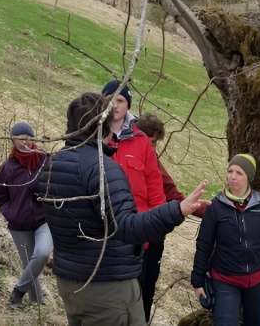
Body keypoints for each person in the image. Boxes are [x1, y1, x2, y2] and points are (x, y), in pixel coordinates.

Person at [34, 92, 209, 326]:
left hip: (70, 282)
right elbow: (127, 227)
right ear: (105, 126)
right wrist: (177, 210)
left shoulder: (51, 165)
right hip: (107, 285)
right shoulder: (105, 169)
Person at [101, 81, 167, 320]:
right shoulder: (91, 136)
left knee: (138, 297)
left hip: (139, 235)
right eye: (110, 99)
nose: (114, 105)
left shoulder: (140, 142)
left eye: (119, 100)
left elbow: (155, 188)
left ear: (127, 104)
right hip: (102, 234)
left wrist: (154, 227)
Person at [191, 154, 260, 326]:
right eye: (230, 171)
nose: (233, 176)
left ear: (249, 177)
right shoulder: (216, 206)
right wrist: (197, 279)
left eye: (239, 172)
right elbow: (204, 245)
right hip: (225, 281)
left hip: (258, 281)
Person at [135, 113, 206, 320]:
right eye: (150, 142)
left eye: (155, 144)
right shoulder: (120, 159)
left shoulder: (155, 164)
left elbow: (173, 194)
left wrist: (205, 210)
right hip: (132, 239)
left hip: (155, 238)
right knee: (132, 290)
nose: (152, 148)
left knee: (147, 289)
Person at [0, 121, 53, 307]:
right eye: (20, 138)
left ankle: (17, 291)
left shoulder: (44, 160)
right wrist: (11, 214)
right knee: (29, 265)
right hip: (19, 224)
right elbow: (0, 198)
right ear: (12, 140)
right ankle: (38, 306)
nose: (25, 142)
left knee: (42, 254)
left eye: (28, 138)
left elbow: (57, 184)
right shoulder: (7, 168)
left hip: (44, 219)